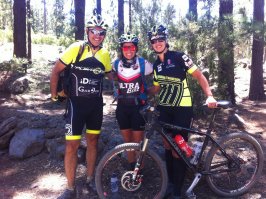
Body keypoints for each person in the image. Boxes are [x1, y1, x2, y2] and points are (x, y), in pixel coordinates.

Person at [147, 25, 217, 199]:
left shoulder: (179, 57)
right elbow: (156, 87)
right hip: (164, 108)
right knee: (166, 144)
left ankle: (178, 190)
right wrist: (142, 95)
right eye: (154, 41)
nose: (158, 43)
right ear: (151, 44)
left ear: (166, 40)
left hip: (182, 108)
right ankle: (170, 184)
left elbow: (199, 76)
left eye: (160, 39)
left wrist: (209, 96)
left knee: (178, 147)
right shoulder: (156, 64)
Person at [50, 13, 112, 199]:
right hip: (76, 105)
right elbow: (55, 71)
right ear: (87, 32)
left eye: (101, 32)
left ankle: (90, 179)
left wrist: (133, 72)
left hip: (95, 106)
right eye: (94, 31)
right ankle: (70, 188)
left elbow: (111, 76)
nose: (97, 35)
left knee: (93, 142)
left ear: (104, 35)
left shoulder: (105, 54)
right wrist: (55, 96)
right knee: (71, 146)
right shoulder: (76, 48)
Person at [112, 32, 153, 169]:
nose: (129, 50)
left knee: (138, 142)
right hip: (122, 108)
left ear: (136, 49)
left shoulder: (144, 64)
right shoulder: (116, 64)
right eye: (125, 47)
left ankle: (139, 170)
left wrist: (150, 92)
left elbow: (159, 74)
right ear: (121, 49)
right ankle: (131, 169)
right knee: (127, 141)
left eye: (132, 47)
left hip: (138, 109)